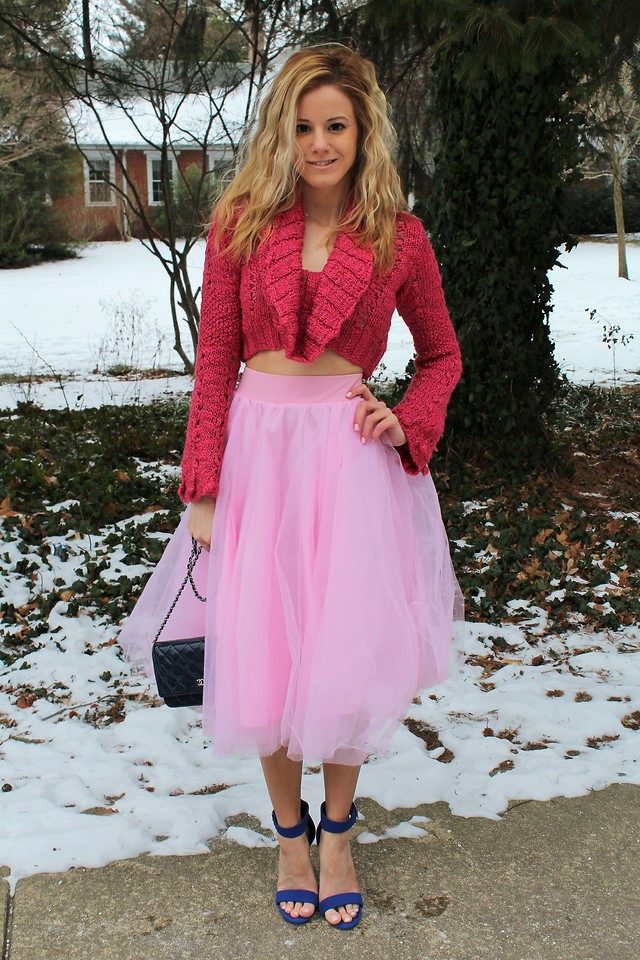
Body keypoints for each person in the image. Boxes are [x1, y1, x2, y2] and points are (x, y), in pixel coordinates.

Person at [117, 42, 465, 931]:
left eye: (336, 126)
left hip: (350, 465)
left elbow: (441, 356)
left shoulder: (398, 236)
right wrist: (202, 486)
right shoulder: (239, 226)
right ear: (283, 132)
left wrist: (408, 420)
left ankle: (338, 832)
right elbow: (214, 364)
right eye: (304, 127)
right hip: (258, 461)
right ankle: (288, 835)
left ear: (363, 132)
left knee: (343, 652)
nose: (319, 144)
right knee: (266, 655)